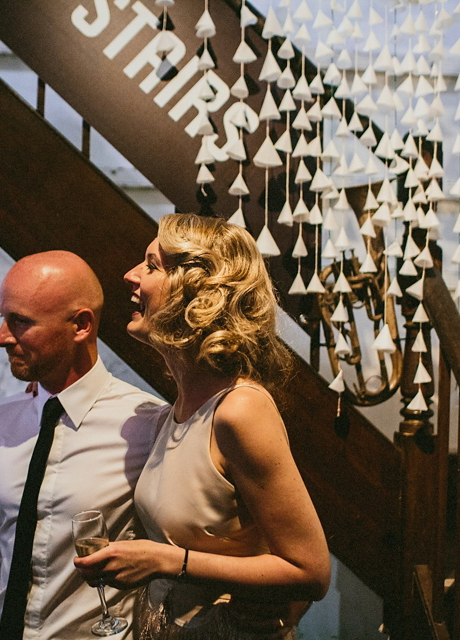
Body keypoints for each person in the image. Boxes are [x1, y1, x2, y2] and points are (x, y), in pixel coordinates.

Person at [75, 214, 331, 639]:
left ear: (197, 290)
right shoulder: (176, 410)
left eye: (152, 265)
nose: (131, 275)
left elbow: (310, 572)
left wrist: (164, 561)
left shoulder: (239, 410)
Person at [0, 251, 165, 640]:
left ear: (81, 325)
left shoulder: (145, 425)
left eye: (20, 321)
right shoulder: (1, 423)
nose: (1, 337)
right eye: (3, 318)